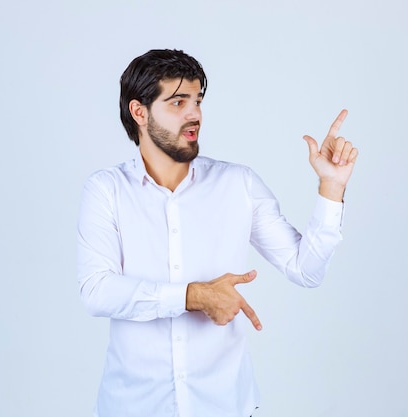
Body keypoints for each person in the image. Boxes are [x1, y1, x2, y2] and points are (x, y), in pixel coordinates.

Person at [77, 49, 358, 417]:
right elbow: (96, 291)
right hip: (133, 407)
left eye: (197, 100)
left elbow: (306, 270)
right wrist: (193, 296)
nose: (194, 114)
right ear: (139, 112)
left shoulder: (237, 183)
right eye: (178, 102)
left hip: (224, 406)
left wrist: (331, 188)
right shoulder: (106, 190)